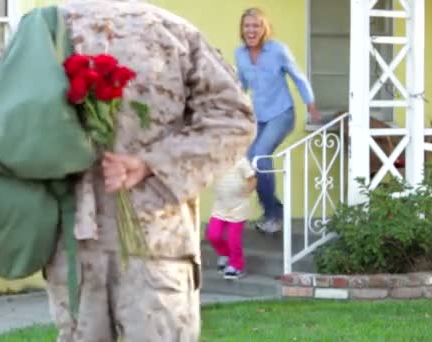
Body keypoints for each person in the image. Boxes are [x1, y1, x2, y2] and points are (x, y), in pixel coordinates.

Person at [26, 1, 256, 341]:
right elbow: (234, 120)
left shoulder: (43, 32)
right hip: (158, 241)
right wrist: (153, 162)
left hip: (75, 238)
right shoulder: (176, 33)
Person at [235, 7, 321, 234]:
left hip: (282, 113)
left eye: (256, 26)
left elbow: (298, 77)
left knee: (261, 155)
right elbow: (242, 85)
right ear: (242, 30)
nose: (251, 30)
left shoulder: (278, 50)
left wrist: (310, 103)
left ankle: (273, 216)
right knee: (250, 160)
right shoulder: (240, 54)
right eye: (247, 26)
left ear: (264, 29)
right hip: (259, 115)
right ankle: (274, 210)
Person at [206, 157, 256, 280]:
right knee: (213, 235)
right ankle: (224, 254)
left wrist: (248, 190)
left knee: (233, 238)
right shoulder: (214, 162)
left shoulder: (241, 161)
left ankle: (236, 266)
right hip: (220, 206)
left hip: (238, 207)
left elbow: (252, 179)